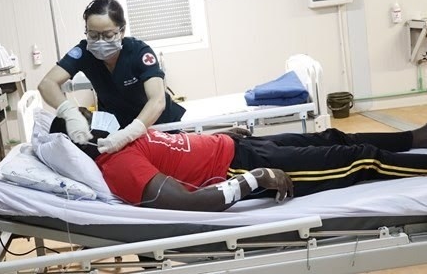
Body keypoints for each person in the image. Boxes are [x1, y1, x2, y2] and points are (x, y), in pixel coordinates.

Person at [49, 112, 427, 212]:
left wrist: (221, 133)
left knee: (333, 136)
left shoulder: (119, 142)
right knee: (360, 160)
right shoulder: (117, 166)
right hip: (242, 167)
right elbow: (189, 201)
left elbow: (174, 146)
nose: (96, 118)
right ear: (80, 141)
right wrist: (255, 178)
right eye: (85, 117)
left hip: (236, 147)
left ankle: (416, 138)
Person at [38, 0, 185, 153]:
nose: (100, 42)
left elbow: (157, 100)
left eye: (108, 35)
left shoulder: (138, 52)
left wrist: (131, 132)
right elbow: (47, 83)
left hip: (159, 126)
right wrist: (70, 113)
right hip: (118, 129)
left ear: (121, 31)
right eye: (93, 35)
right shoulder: (84, 53)